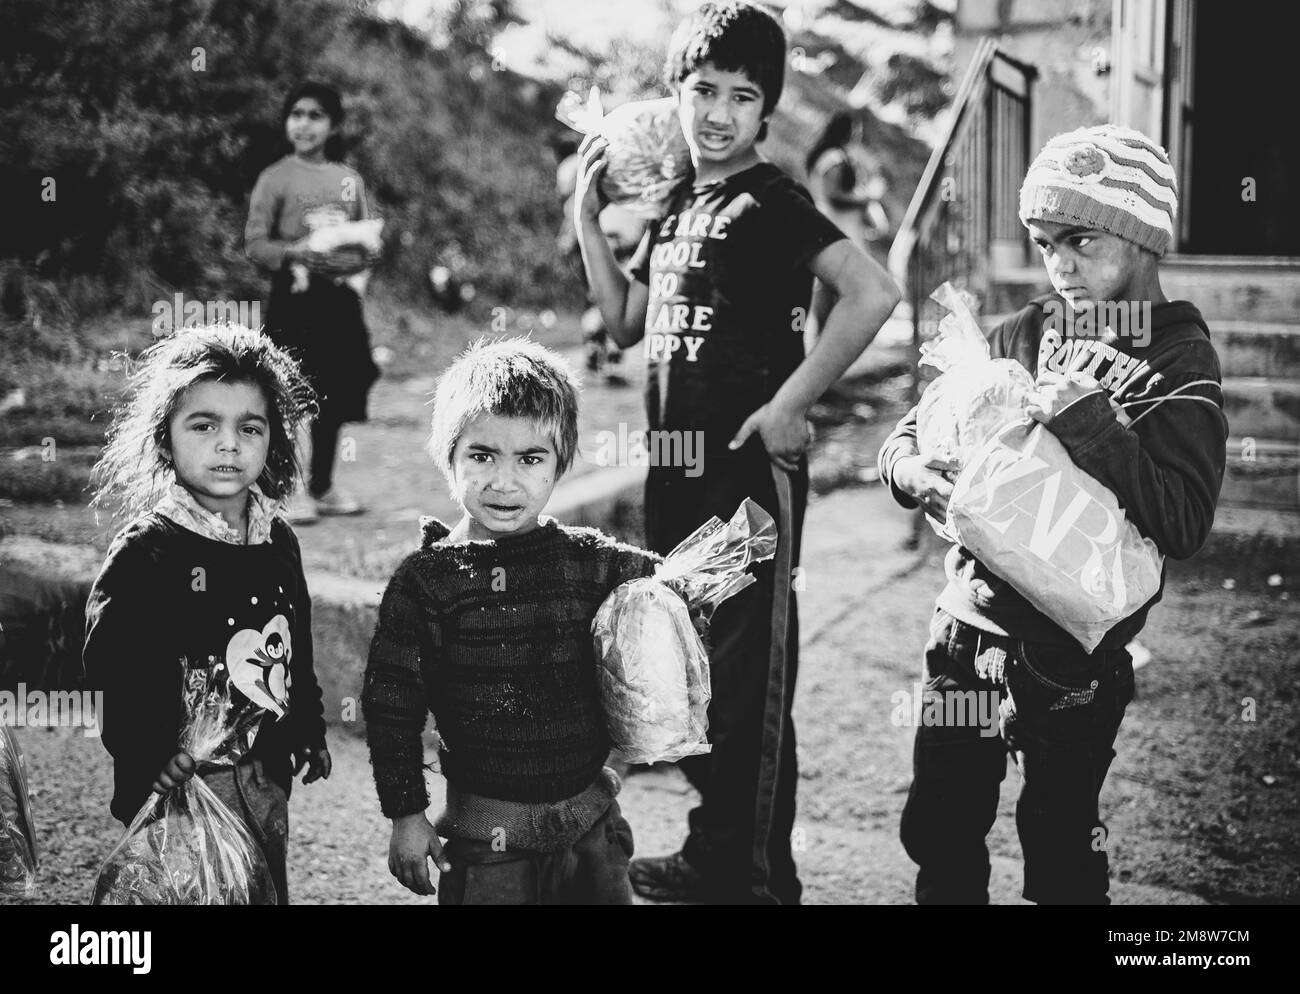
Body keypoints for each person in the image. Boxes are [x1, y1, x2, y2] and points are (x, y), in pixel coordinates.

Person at [575, 0, 900, 904]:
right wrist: (583, 216)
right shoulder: (681, 200)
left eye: (741, 96)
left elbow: (872, 292)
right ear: (677, 93)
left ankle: (758, 877)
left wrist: (794, 401)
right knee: (694, 676)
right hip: (675, 479)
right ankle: (712, 849)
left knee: (751, 686)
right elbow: (622, 320)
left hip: (745, 481)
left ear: (766, 112)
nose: (716, 112)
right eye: (702, 89)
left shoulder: (772, 201)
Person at [878, 125, 1228, 904]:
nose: (1060, 265)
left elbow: (1184, 522)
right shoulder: (1027, 330)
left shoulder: (1178, 363)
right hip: (964, 630)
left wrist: (1092, 426)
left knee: (1064, 849)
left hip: (1072, 658)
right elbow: (906, 433)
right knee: (941, 828)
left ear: (1141, 238)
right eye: (1043, 243)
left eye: (1080, 240)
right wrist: (913, 474)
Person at [362, 339, 665, 905]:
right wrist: (407, 815)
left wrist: (709, 580)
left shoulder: (591, 560)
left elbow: (668, 590)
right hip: (487, 842)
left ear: (561, 463)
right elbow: (390, 704)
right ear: (447, 457)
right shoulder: (427, 582)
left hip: (593, 827)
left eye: (530, 459)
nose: (505, 481)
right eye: (482, 456)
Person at [83, 324, 332, 905]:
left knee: (258, 885)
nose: (229, 444)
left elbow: (294, 642)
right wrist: (148, 755)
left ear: (274, 440)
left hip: (264, 776)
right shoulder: (150, 551)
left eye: (250, 427)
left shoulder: (277, 539)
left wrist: (308, 726)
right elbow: (111, 665)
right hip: (183, 781)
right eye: (204, 425)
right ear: (165, 438)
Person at [245, 80, 380, 524]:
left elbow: (363, 242)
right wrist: (298, 252)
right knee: (290, 396)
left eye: (315, 115)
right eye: (296, 114)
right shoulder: (275, 177)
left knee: (338, 391)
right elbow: (256, 246)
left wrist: (360, 255)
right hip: (296, 300)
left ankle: (322, 485)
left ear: (333, 125)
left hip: (340, 302)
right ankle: (287, 489)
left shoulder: (348, 181)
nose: (304, 124)